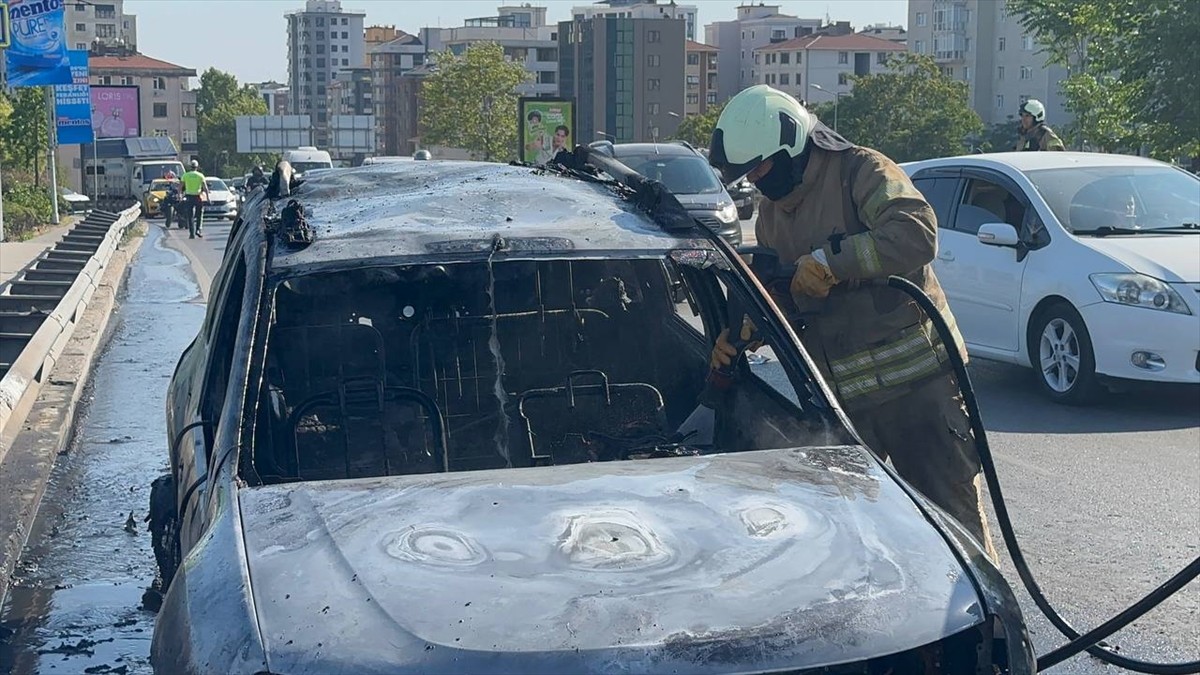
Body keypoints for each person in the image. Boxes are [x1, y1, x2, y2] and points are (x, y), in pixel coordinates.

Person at [706, 85, 998, 561]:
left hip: (918, 394)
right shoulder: (771, 217)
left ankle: (988, 609)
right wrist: (749, 329)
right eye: (748, 174)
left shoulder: (860, 171)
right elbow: (786, 296)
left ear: (792, 147)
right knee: (855, 543)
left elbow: (917, 232)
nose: (756, 181)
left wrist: (834, 262)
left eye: (760, 168)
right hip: (846, 409)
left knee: (955, 535)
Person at [179, 160, 209, 239]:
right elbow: (205, 188)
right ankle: (198, 230)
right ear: (197, 167)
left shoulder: (185, 175)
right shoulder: (200, 175)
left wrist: (180, 196)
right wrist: (208, 197)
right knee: (199, 214)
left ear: (190, 167)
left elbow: (180, 187)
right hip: (197, 197)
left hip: (189, 197)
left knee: (190, 216)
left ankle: (191, 233)